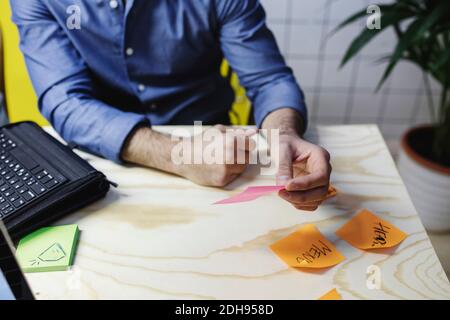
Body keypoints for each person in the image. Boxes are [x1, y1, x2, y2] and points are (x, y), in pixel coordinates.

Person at [11, 0, 331, 211]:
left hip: (216, 147)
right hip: (102, 159)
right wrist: (178, 156)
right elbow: (65, 102)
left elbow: (270, 80)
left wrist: (284, 134)